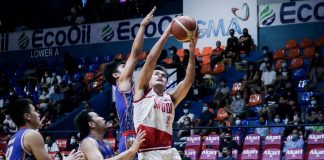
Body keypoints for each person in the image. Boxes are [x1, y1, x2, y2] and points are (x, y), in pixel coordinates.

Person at [133, 20, 197, 159]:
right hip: (149, 152)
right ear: (149, 78)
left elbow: (188, 81)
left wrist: (192, 52)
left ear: (167, 82)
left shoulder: (171, 98)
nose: (160, 76)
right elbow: (150, 59)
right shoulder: (142, 91)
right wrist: (167, 34)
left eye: (163, 75)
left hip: (169, 150)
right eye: (156, 74)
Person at [103, 6, 155, 153]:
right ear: (115, 75)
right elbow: (135, 53)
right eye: (122, 66)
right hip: (130, 137)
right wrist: (143, 26)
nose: (126, 66)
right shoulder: (122, 82)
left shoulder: (132, 86)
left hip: (136, 135)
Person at [6, 98, 82, 160]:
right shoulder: (31, 135)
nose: (38, 114)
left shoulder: (13, 137)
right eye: (35, 111)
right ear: (27, 116)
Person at [74, 109, 146, 160]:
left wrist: (131, 152)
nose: (102, 118)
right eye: (98, 116)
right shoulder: (88, 142)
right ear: (91, 124)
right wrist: (131, 150)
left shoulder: (106, 143)